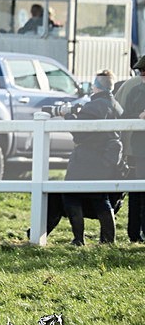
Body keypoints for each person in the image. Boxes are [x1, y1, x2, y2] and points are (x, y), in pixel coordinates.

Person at [61, 70, 123, 245]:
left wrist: (67, 115)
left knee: (71, 196)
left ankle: (78, 239)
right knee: (100, 198)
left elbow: (79, 134)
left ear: (96, 86)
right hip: (107, 161)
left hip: (87, 160)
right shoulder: (116, 105)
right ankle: (108, 240)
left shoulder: (94, 105)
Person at [119, 56, 145, 242]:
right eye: (140, 71)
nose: (141, 74)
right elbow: (125, 115)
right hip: (138, 149)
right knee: (137, 191)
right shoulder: (135, 91)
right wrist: (139, 116)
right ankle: (134, 233)